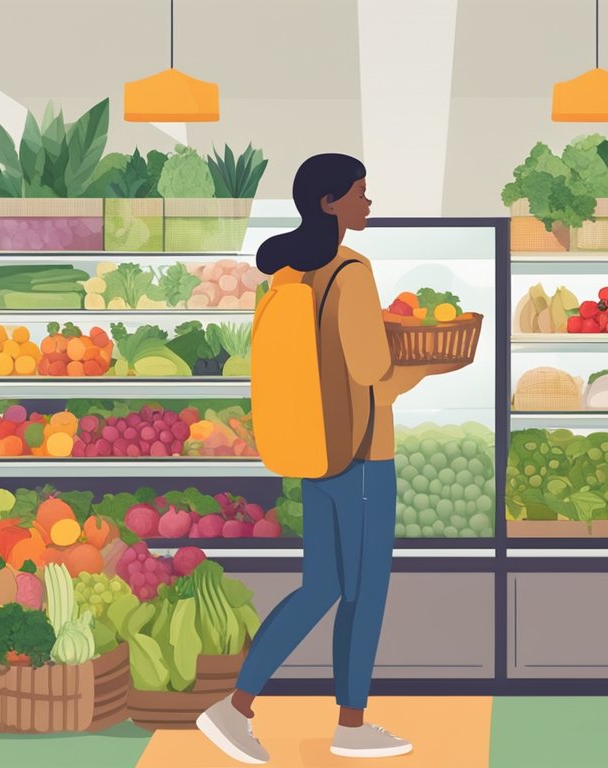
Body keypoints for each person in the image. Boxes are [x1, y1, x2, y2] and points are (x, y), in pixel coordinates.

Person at [198, 154, 466, 763]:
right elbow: (374, 373)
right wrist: (434, 364)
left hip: (312, 448)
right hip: (365, 453)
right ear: (329, 203)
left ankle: (242, 705)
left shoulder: (289, 273)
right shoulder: (351, 271)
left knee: (320, 585)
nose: (368, 203)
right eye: (360, 194)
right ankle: (339, 722)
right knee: (364, 592)